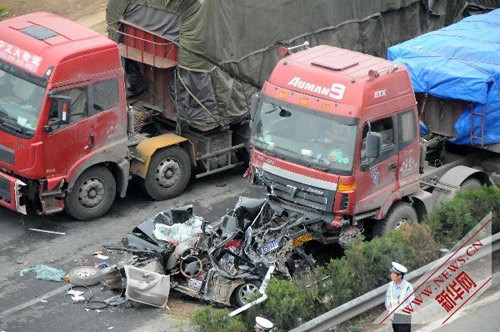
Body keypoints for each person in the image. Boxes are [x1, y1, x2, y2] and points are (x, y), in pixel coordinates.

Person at [385, 262, 414, 332]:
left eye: (393, 273)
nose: (391, 275)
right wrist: (389, 308)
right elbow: (388, 298)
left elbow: (411, 303)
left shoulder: (408, 287)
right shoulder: (391, 285)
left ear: (399, 276)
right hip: (393, 316)